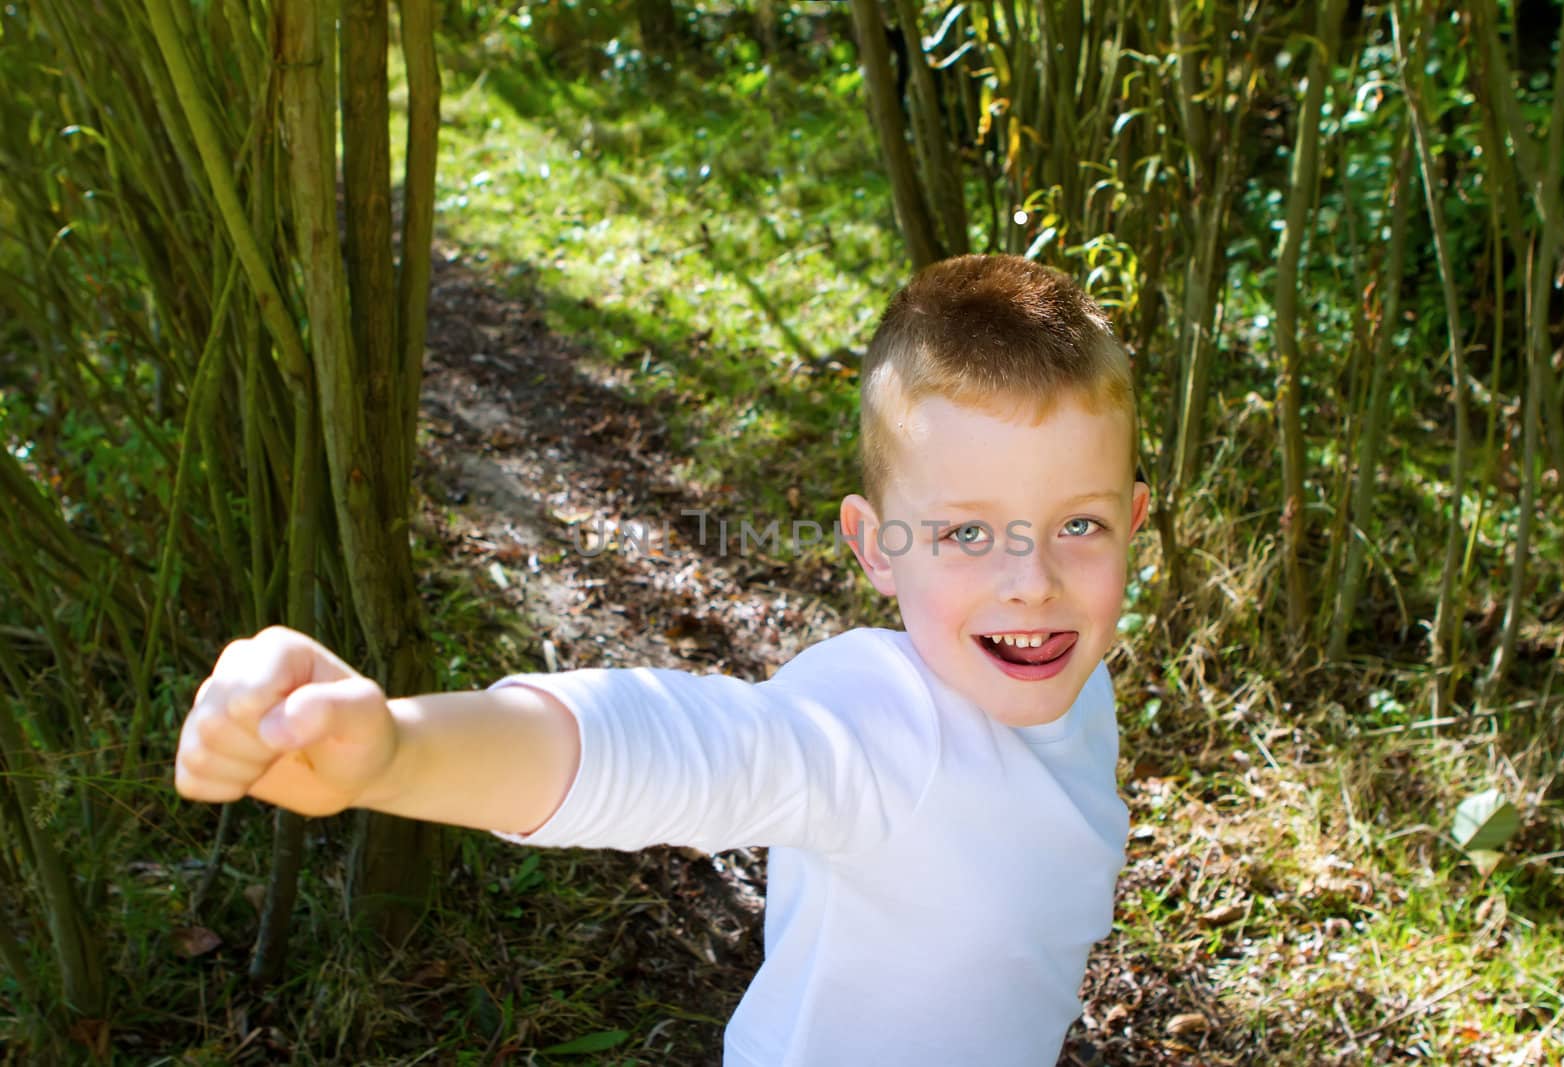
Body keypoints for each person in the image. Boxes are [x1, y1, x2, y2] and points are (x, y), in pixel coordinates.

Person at [175, 254, 1151, 1066]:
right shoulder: (879, 725)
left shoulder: (1074, 682)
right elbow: (683, 746)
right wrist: (398, 747)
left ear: (1132, 521)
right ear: (877, 545)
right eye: (966, 533)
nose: (1031, 580)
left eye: (1078, 522)